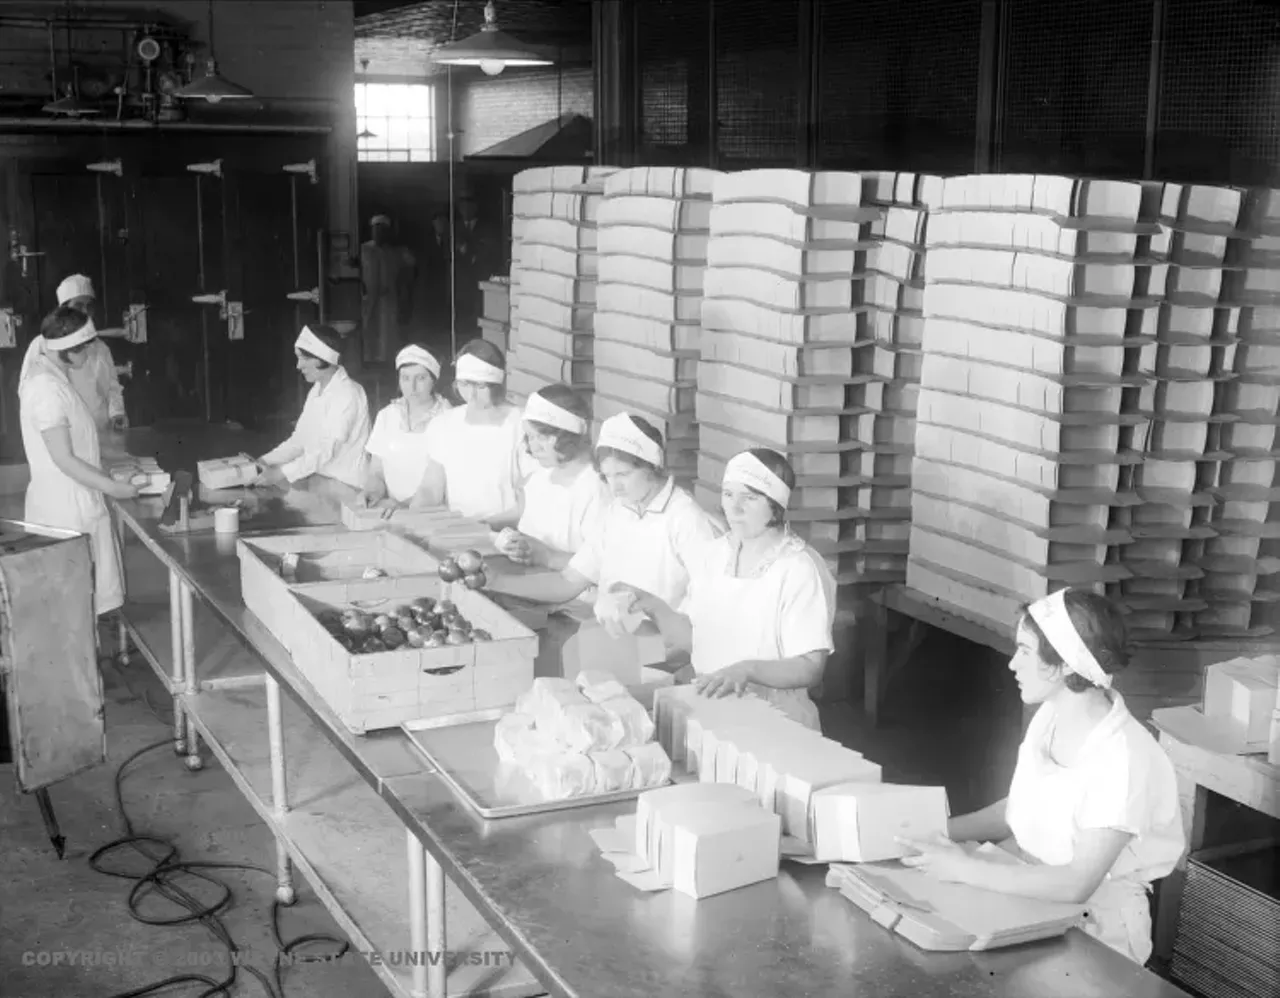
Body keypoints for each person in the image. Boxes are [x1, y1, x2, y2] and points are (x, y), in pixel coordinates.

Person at [899, 588, 1185, 966]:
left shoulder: (1123, 756)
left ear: (1066, 664)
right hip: (1033, 900)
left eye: (1025, 651)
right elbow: (1020, 808)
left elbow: (1077, 883)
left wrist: (965, 868)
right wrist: (937, 833)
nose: (1012, 665)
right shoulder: (1050, 717)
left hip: (1098, 934)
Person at [617, 449, 834, 729]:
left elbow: (810, 666)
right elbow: (696, 636)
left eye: (750, 498)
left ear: (775, 505)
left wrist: (747, 670)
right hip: (713, 707)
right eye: (729, 494)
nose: (735, 508)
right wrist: (650, 604)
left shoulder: (799, 568)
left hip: (777, 720)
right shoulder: (714, 555)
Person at [485, 412, 721, 634]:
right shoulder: (618, 512)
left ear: (652, 467)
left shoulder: (685, 518)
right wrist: (495, 582)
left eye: (623, 475)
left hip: (662, 646)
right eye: (608, 476)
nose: (615, 486)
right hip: (612, 637)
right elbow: (568, 581)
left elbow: (710, 604)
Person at [18, 306, 138, 617]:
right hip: (67, 510)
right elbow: (64, 458)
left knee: (80, 600)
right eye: (84, 348)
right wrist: (113, 488)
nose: (89, 353)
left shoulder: (54, 377)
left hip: (73, 501)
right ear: (67, 352)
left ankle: (89, 659)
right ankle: (84, 664)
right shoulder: (47, 390)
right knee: (74, 603)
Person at [412, 339, 532, 526]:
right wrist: (415, 515)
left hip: (507, 534)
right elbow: (431, 488)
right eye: (465, 385)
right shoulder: (445, 424)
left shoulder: (520, 425)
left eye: (481, 387)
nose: (472, 395)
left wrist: (485, 525)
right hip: (457, 531)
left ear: (497, 384)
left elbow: (529, 501)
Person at [493, 385, 610, 570]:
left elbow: (602, 566)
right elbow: (526, 520)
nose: (533, 447)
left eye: (542, 437)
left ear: (569, 436)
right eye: (530, 437)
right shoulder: (540, 477)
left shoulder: (597, 490)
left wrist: (547, 557)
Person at [257, 325, 371, 490]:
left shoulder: (348, 393)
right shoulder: (317, 390)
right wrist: (264, 461)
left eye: (304, 358)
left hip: (348, 486)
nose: (298, 366)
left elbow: (326, 450)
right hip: (321, 480)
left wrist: (280, 473)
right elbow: (299, 440)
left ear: (321, 358)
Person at [359, 343, 452, 508]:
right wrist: (372, 492)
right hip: (392, 510)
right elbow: (377, 472)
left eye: (421, 378)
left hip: (433, 514)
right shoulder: (387, 416)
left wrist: (400, 508)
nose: (412, 387)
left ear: (434, 380)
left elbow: (433, 490)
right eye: (405, 378)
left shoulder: (447, 418)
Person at [55, 274, 128, 432]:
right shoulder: (48, 347)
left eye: (89, 307)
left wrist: (117, 413)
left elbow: (111, 387)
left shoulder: (100, 348)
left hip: (100, 433)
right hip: (66, 435)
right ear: (64, 309)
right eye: (79, 305)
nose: (85, 312)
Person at [360, 214, 417, 365]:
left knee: (387, 336)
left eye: (382, 230)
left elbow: (411, 268)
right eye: (375, 230)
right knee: (367, 334)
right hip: (367, 300)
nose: (378, 233)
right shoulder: (364, 249)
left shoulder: (397, 252)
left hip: (388, 300)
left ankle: (385, 365)